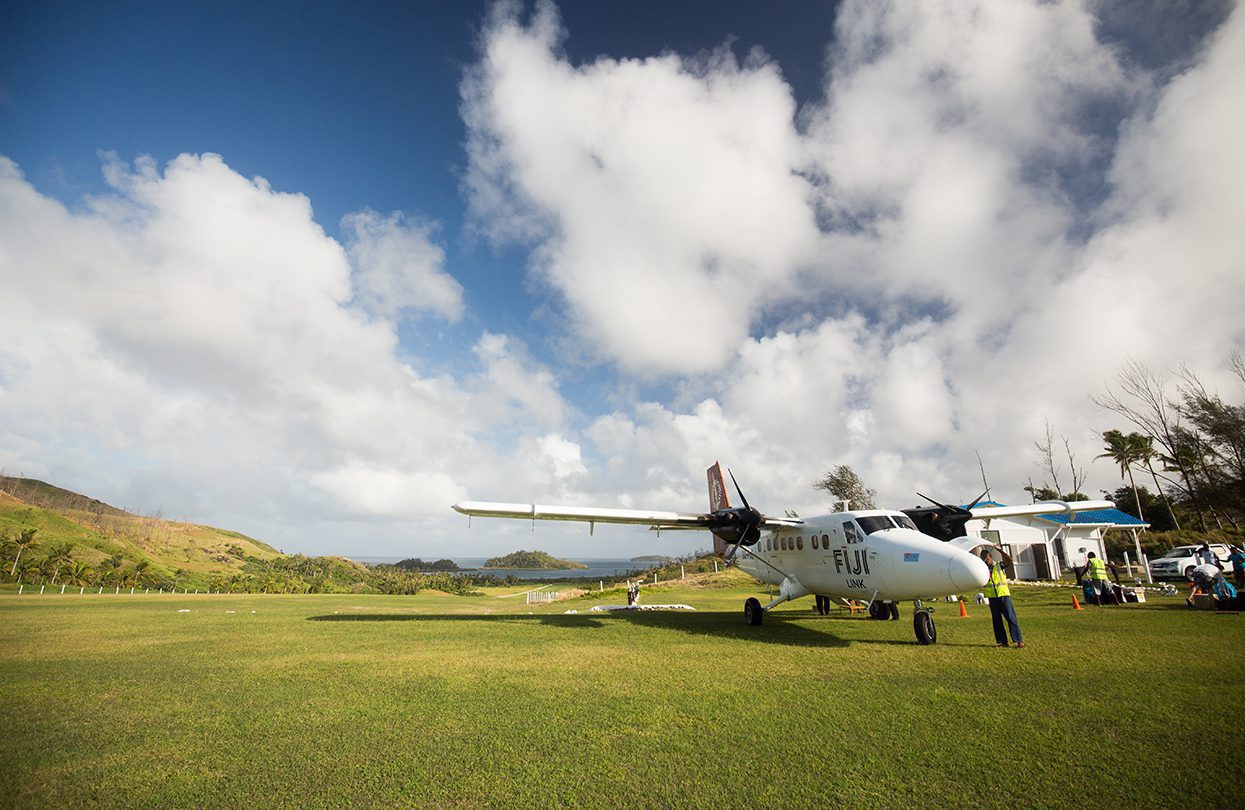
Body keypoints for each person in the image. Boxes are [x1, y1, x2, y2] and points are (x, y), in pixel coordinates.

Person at [980, 547, 1024, 648]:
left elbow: (1009, 560)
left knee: (1011, 618)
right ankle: (1002, 642)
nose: (985, 560)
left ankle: (1019, 640)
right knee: (997, 620)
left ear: (990, 556)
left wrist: (999, 550)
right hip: (992, 598)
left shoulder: (999, 565)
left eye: (986, 557)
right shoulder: (983, 570)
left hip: (1003, 595)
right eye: (982, 558)